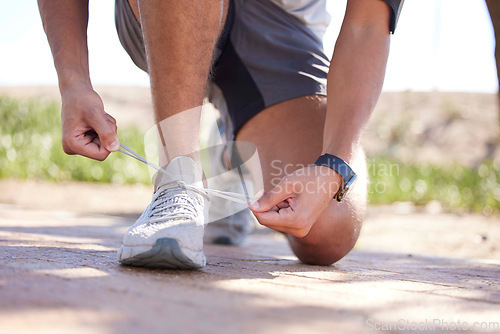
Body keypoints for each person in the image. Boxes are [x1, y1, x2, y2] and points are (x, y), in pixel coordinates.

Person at [38, 0, 404, 269]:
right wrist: (74, 82)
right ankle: (177, 180)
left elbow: (367, 25)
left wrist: (333, 165)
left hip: (281, 29)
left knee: (329, 229)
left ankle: (231, 158)